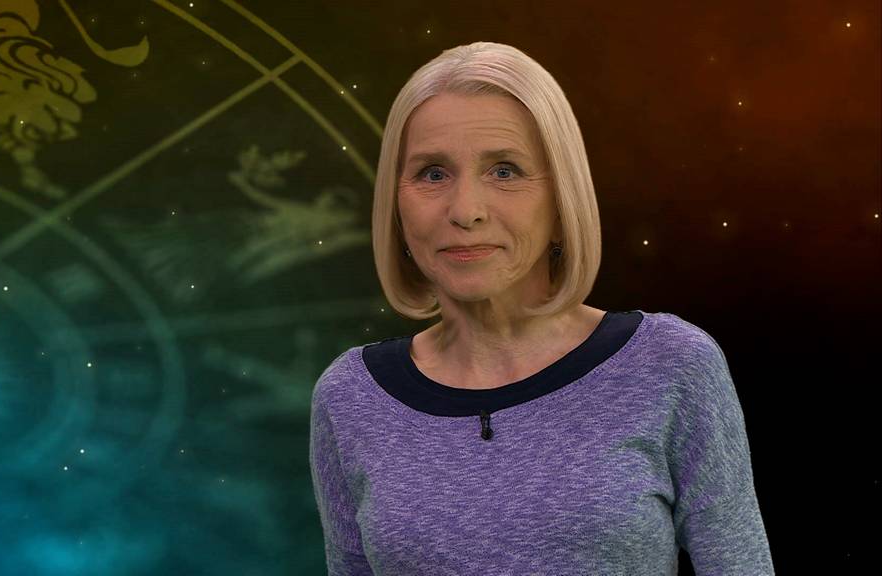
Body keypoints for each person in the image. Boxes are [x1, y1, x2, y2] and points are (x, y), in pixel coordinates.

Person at [309, 41, 774, 575]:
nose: (465, 210)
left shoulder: (671, 365)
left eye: (505, 171)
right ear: (396, 203)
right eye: (433, 173)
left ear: (561, 201)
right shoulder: (349, 397)